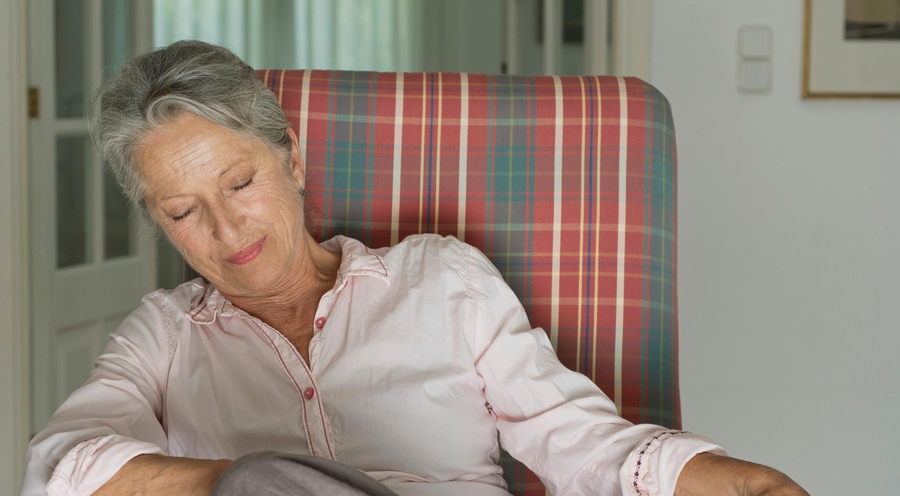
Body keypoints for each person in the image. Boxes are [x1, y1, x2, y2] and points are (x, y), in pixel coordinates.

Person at [22, 40, 807, 496]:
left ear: (290, 158)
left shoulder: (440, 279)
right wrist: (247, 487)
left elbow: (579, 440)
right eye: (184, 211)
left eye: (239, 182)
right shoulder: (164, 334)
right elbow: (58, 465)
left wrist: (726, 480)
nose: (227, 229)